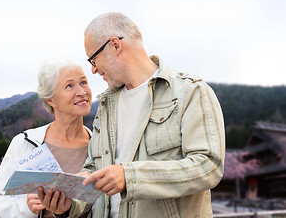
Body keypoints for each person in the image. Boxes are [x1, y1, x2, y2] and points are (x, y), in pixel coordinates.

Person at [39, 12, 225, 218]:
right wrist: (68, 205)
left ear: (116, 46)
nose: (93, 70)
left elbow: (208, 166)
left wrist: (130, 177)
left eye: (93, 59)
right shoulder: (105, 105)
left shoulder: (190, 92)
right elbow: (93, 169)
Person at [0, 59, 93, 218]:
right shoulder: (24, 143)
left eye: (83, 82)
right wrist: (26, 207)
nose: (82, 92)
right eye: (69, 86)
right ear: (51, 99)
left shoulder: (101, 145)